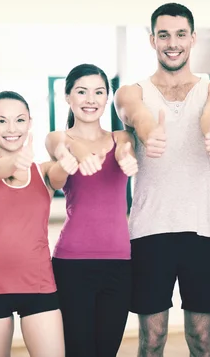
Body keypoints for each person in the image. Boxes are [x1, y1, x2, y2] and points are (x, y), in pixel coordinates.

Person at [114, 2, 210, 357]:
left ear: (192, 38)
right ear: (152, 40)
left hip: (204, 227)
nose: (172, 42)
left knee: (201, 337)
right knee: (152, 338)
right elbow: (137, 115)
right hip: (150, 228)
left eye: (180, 34)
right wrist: (150, 134)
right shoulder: (132, 91)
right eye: (164, 35)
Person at [0, 90, 71, 357]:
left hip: (39, 286)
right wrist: (14, 162)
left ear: (30, 123)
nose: (12, 128)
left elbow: (57, 176)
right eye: (1, 121)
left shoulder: (42, 171)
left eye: (20, 120)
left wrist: (67, 163)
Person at [44, 63, 138, 357]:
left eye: (99, 92)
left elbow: (126, 149)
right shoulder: (58, 138)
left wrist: (125, 158)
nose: (91, 99)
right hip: (73, 263)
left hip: (119, 263)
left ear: (107, 98)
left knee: (106, 350)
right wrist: (75, 156)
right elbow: (60, 151)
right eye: (82, 92)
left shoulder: (121, 139)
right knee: (78, 350)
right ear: (68, 97)